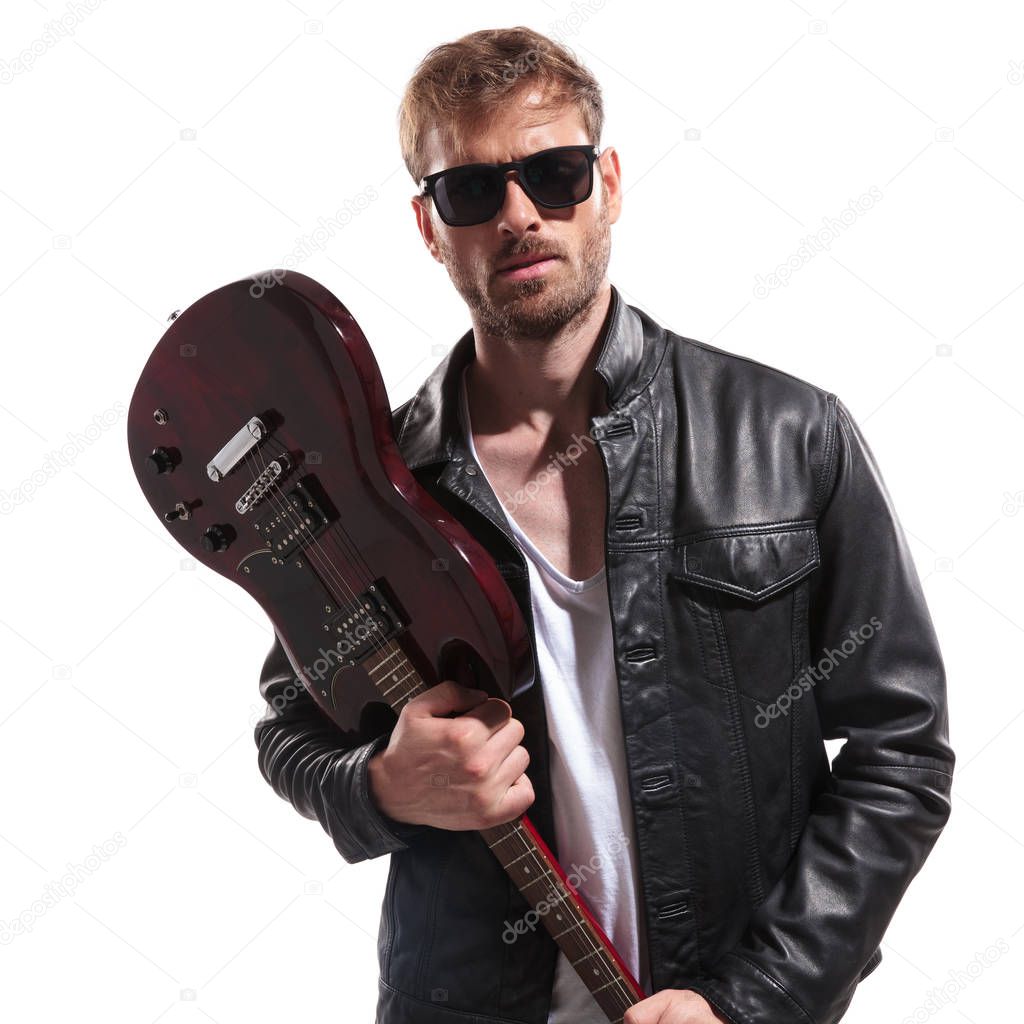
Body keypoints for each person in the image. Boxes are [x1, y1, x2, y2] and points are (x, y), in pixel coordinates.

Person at [254, 25, 954, 1024]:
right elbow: (290, 725)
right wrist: (380, 785)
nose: (520, 215)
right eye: (471, 189)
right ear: (427, 223)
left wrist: (749, 1002)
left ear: (609, 182)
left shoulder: (786, 434)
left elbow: (901, 748)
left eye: (554, 172)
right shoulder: (375, 490)